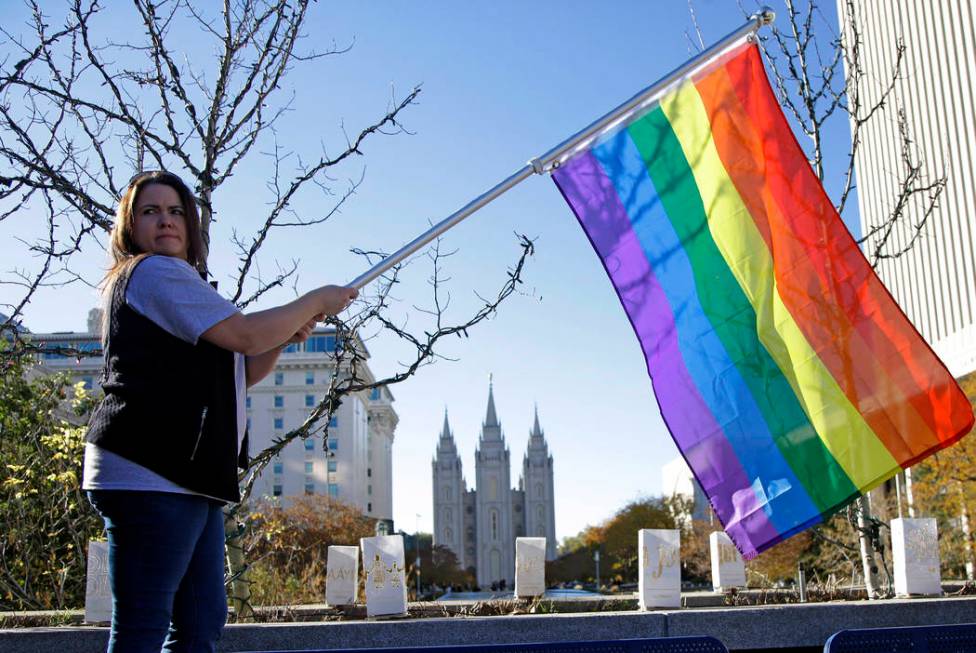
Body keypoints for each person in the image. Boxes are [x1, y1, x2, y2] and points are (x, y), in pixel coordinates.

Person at [83, 170, 357, 652]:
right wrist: (314, 300)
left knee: (199, 621)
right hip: (151, 471)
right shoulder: (151, 272)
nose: (165, 221)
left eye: (174, 212)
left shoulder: (184, 283)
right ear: (130, 227)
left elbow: (240, 369)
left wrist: (287, 335)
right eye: (150, 212)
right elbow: (246, 334)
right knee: (143, 629)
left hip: (189, 475)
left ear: (190, 225)